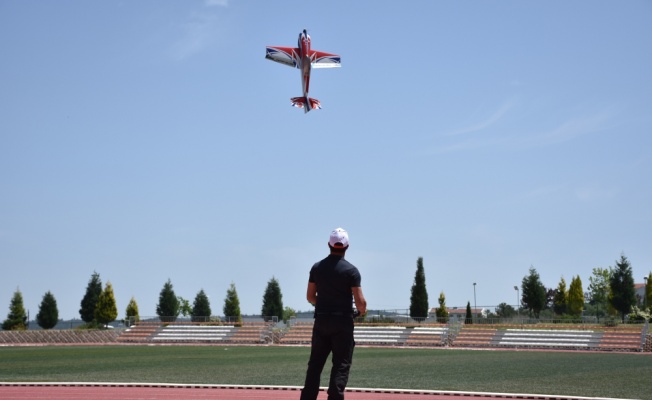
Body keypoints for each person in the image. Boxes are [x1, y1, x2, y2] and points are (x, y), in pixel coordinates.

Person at [300, 227, 367, 400]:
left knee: (315, 365)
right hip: (342, 322)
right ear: (347, 246)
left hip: (321, 320)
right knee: (341, 365)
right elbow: (361, 302)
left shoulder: (317, 268)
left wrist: (322, 304)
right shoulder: (351, 271)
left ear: (328, 245)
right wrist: (360, 311)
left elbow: (310, 296)